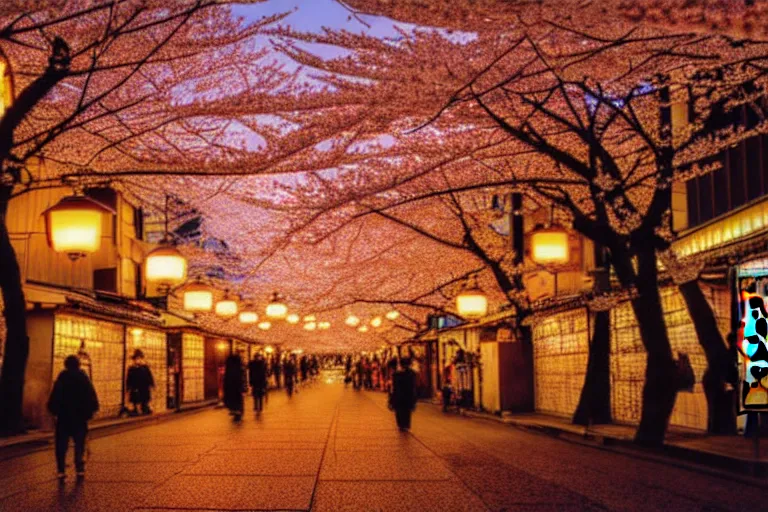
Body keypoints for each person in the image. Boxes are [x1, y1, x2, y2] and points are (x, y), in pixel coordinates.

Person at [48, 355, 99, 480]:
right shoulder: (83, 378)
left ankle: (61, 470)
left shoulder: (62, 378)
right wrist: (90, 412)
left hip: (64, 417)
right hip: (79, 417)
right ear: (78, 365)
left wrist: (54, 410)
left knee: (61, 444)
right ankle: (79, 468)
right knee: (79, 443)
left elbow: (55, 396)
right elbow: (91, 396)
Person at [390, 357, 418, 432]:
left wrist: (391, 397)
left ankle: (401, 425)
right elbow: (413, 386)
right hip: (407, 395)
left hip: (399, 395)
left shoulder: (396, 374)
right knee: (406, 411)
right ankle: (405, 425)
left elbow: (394, 387)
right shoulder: (412, 373)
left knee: (400, 411)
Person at [126, 349, 155, 415]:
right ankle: (136, 409)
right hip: (135, 386)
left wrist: (151, 383)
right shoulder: (131, 368)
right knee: (135, 398)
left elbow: (149, 376)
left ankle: (145, 408)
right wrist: (128, 387)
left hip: (144, 386)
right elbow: (129, 378)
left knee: (144, 398)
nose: (138, 360)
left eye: (139, 358)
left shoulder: (145, 367)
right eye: (136, 359)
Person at [224, 350, 245, 420]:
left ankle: (234, 410)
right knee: (238, 399)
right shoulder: (238, 368)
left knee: (233, 399)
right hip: (236, 387)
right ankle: (238, 411)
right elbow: (241, 378)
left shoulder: (229, 369)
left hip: (230, 387)